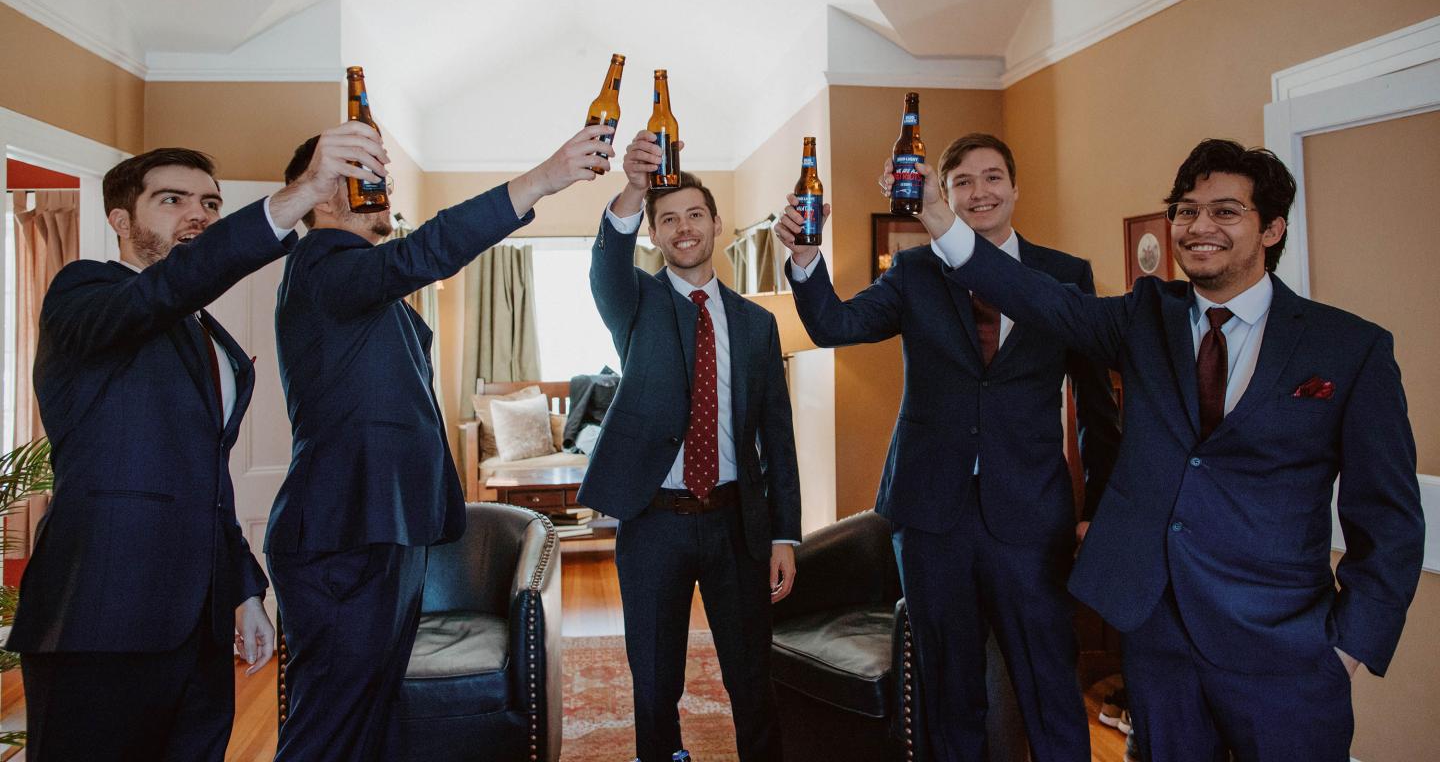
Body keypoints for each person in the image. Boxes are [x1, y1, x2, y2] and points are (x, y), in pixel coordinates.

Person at [929, 138, 1424, 762]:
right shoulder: (1144, 315)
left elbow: (1389, 518)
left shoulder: (1350, 348)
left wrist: (1348, 648)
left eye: (1225, 211)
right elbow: (1036, 296)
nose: (1198, 227)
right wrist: (940, 219)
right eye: (1186, 211)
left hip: (1285, 646)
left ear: (1271, 229)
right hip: (1157, 637)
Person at [9, 126, 386, 762]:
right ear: (120, 220)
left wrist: (242, 591)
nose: (200, 215)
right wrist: (301, 195)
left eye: (210, 203)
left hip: (198, 622)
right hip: (101, 612)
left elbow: (204, 478)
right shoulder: (84, 292)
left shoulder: (200, 329)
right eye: (172, 200)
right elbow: (163, 291)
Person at [265, 124, 613, 761]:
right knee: (329, 727)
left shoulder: (357, 281)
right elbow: (424, 251)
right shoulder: (323, 265)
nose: (382, 187)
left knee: (368, 715)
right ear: (321, 193)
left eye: (382, 176)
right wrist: (544, 178)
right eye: (363, 175)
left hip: (385, 527)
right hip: (344, 533)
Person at [775, 133, 1121, 762]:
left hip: (1030, 517)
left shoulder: (1064, 275)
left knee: (1049, 682)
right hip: (930, 516)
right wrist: (804, 258)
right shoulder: (914, 272)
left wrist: (1098, 507)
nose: (979, 192)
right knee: (948, 689)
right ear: (945, 194)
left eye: (992, 178)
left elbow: (1097, 409)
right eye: (962, 181)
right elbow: (834, 324)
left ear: (1015, 188)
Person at [578, 131, 802, 762]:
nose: (684, 228)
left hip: (737, 524)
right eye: (669, 218)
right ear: (653, 233)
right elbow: (605, 266)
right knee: (655, 682)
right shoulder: (635, 303)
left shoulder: (758, 324)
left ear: (717, 225)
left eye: (695, 215)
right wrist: (633, 189)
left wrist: (785, 535)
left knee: (751, 678)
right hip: (654, 523)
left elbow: (777, 438)